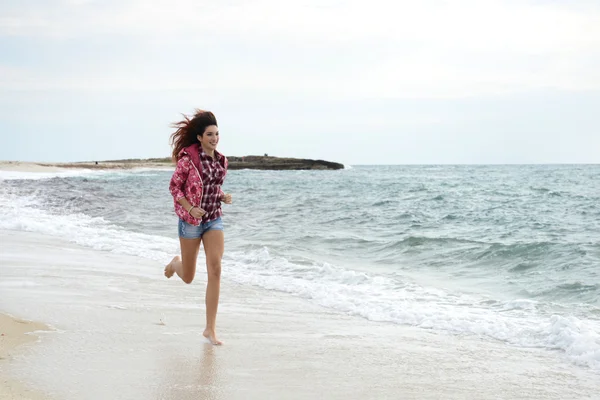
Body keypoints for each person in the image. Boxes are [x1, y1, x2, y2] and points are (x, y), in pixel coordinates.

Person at [164, 109, 232, 345]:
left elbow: (210, 187)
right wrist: (190, 208)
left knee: (216, 269)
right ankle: (176, 264)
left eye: (217, 134)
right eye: (210, 134)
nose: (214, 138)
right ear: (200, 138)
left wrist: (222, 196)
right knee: (189, 277)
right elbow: (175, 188)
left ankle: (210, 329)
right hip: (191, 222)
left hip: (214, 219)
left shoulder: (221, 160)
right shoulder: (187, 161)